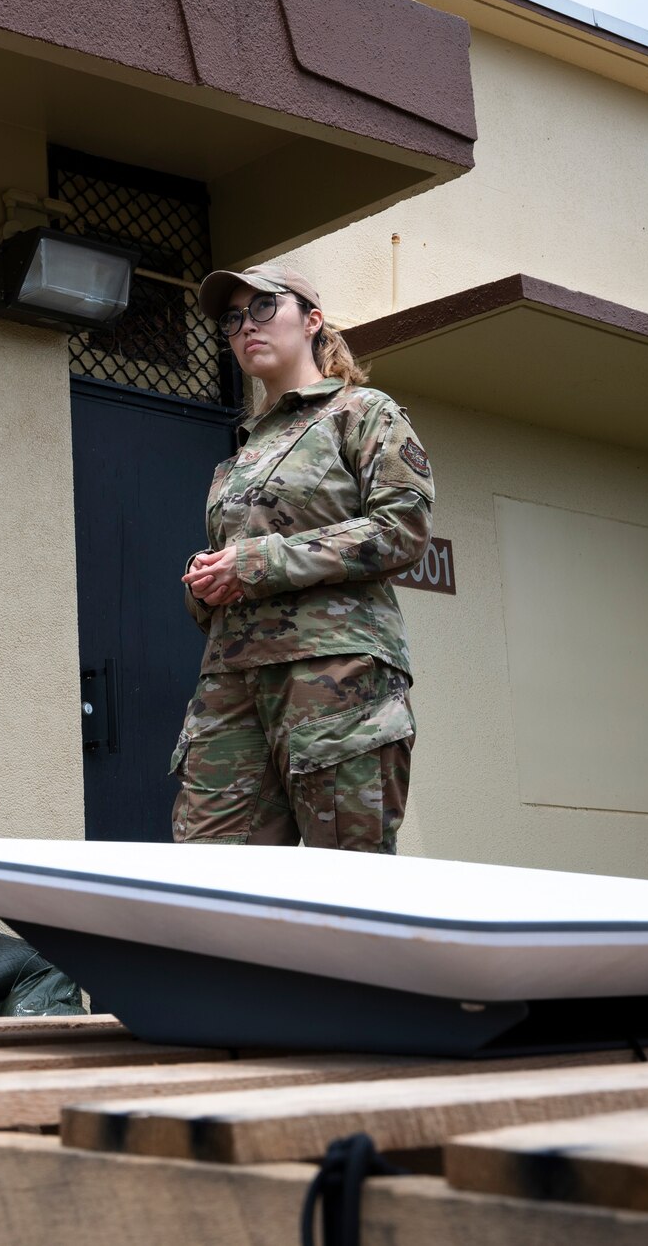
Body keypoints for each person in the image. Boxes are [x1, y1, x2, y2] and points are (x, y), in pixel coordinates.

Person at [171, 263, 432, 853]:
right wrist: (206, 583)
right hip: (232, 679)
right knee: (209, 875)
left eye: (264, 308)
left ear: (313, 321)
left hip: (334, 676)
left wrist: (256, 564)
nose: (245, 327)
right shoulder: (243, 452)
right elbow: (237, 564)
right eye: (233, 319)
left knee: (346, 877)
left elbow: (402, 529)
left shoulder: (361, 412)